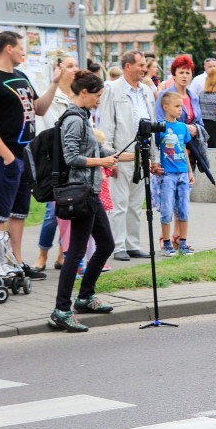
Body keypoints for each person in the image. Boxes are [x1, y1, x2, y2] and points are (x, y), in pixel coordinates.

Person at [49, 70, 134, 333]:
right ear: (83, 93)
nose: (98, 100)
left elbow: (99, 150)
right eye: (96, 96)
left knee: (106, 243)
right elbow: (71, 156)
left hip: (91, 192)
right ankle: (62, 309)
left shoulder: (84, 116)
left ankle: (84, 297)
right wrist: (102, 162)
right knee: (75, 252)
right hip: (80, 192)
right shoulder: (74, 119)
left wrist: (135, 157)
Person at [0, 31, 63, 280]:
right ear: (8, 48)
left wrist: (54, 83)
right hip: (4, 158)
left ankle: (16, 263)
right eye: (21, 47)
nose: (24, 52)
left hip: (24, 155)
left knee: (18, 212)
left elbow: (39, 109)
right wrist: (7, 157)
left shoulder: (21, 76)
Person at [97, 50, 157, 261]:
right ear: (127, 66)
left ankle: (132, 244)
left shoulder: (147, 91)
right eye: (140, 65)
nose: (144, 68)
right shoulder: (112, 90)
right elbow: (106, 124)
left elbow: (151, 124)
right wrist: (110, 157)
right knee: (119, 203)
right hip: (121, 156)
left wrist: (154, 158)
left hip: (142, 155)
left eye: (144, 65)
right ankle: (118, 245)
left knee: (135, 204)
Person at [36, 56, 79, 272]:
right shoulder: (52, 97)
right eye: (70, 66)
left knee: (71, 209)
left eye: (75, 65)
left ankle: (63, 253)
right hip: (56, 162)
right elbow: (51, 128)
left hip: (77, 162)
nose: (75, 69)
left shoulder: (79, 95)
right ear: (58, 70)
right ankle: (42, 253)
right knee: (52, 213)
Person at [155, 92, 195, 257]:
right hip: (167, 174)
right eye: (177, 106)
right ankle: (166, 244)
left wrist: (190, 170)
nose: (181, 109)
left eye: (181, 106)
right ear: (166, 107)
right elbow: (156, 148)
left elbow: (184, 150)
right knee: (166, 209)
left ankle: (183, 242)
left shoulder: (182, 127)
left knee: (184, 209)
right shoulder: (160, 127)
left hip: (182, 173)